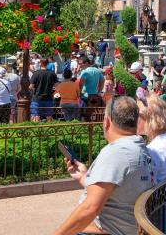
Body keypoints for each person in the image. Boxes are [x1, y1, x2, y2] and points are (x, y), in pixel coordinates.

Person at [52, 96, 156, 235]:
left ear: (106, 122)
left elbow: (90, 208)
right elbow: (120, 190)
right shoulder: (140, 148)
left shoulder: (117, 152)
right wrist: (85, 177)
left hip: (102, 230)